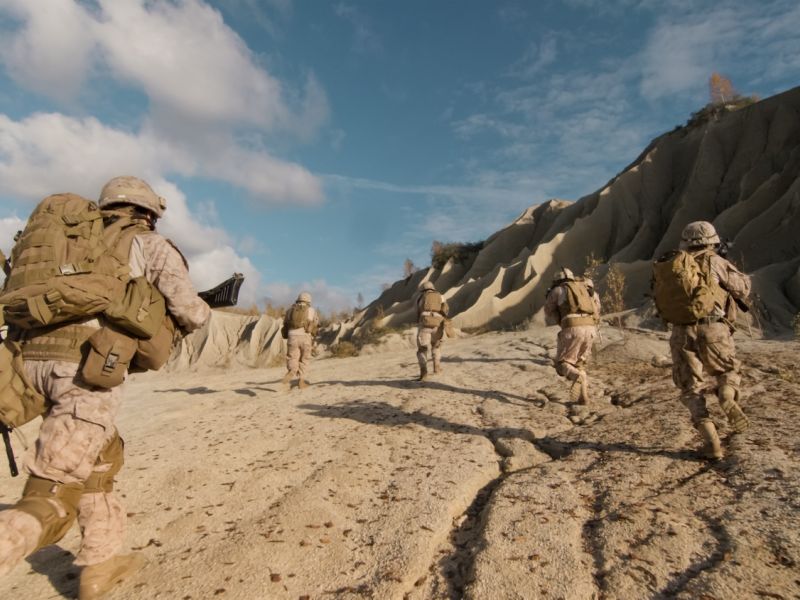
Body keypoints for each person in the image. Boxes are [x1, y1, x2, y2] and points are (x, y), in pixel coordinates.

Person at [0, 176, 211, 599]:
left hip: (24, 366)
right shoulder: (148, 244)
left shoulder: (68, 240)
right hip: (84, 374)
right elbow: (192, 312)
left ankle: (100, 561)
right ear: (148, 213)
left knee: (101, 458)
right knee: (53, 495)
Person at [666, 221, 751, 460]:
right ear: (712, 241)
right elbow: (743, 289)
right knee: (726, 370)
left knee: (690, 387)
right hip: (713, 327)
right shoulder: (716, 261)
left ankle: (711, 441)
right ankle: (725, 394)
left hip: (681, 332)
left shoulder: (671, 265)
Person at [544, 268, 601, 404]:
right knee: (580, 364)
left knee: (562, 364)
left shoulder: (558, 290)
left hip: (572, 328)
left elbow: (548, 312)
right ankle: (583, 397)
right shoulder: (587, 288)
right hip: (591, 329)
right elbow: (597, 308)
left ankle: (576, 377)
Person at [280, 292, 319, 389]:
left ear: (298, 300)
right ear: (308, 301)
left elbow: (285, 324)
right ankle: (301, 381)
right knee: (304, 359)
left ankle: (291, 371)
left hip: (292, 336)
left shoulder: (289, 311)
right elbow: (316, 324)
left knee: (292, 357)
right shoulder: (311, 310)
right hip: (305, 336)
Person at [415, 281, 449, 381]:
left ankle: (424, 373)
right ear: (433, 288)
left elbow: (417, 312)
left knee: (422, 349)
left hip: (425, 324)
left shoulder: (420, 298)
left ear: (423, 289)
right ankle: (437, 368)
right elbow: (446, 309)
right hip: (438, 324)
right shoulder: (441, 296)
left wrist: (419, 322)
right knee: (436, 346)